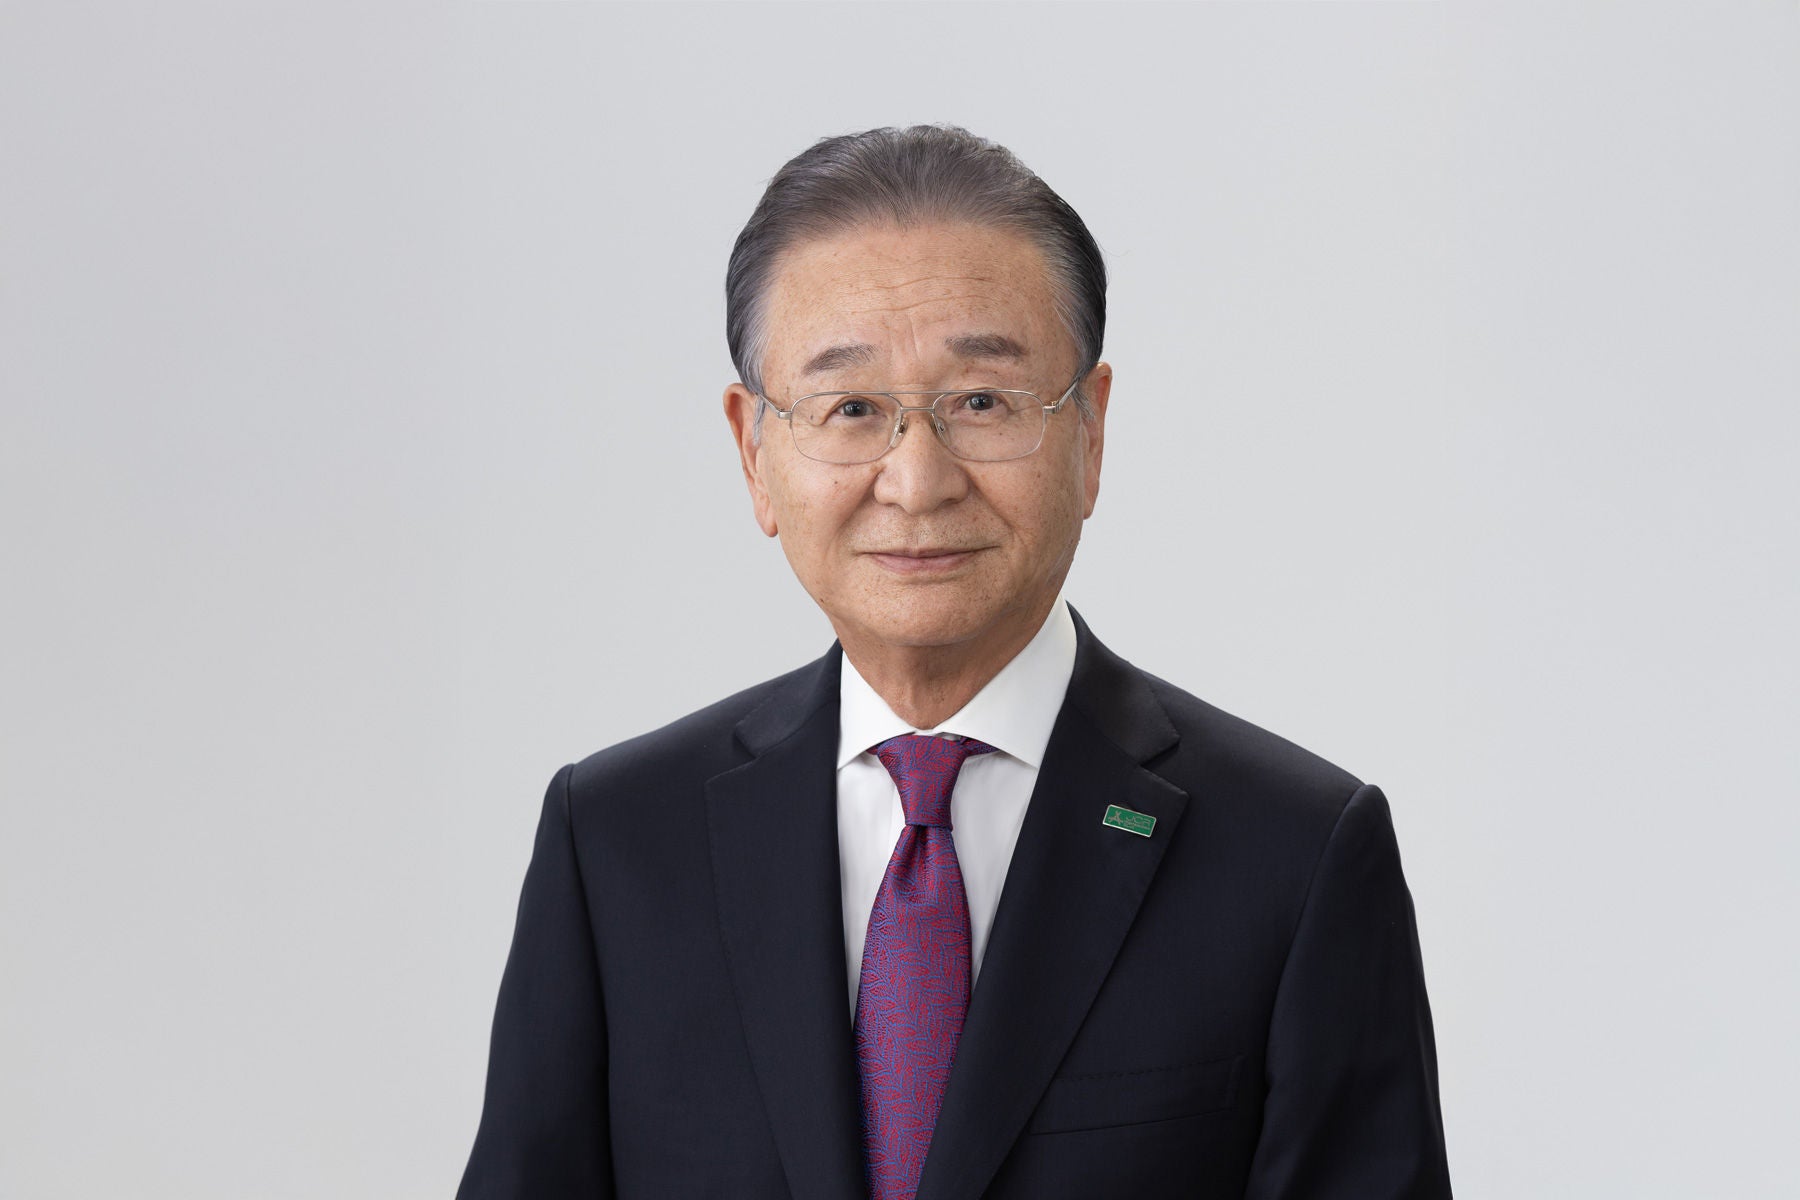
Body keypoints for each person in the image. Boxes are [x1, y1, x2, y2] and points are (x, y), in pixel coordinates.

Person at [457, 124, 1451, 1200]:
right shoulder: (616, 844)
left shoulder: (1295, 856)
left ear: (1091, 433)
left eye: (981, 402)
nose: (918, 480)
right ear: (754, 452)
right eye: (852, 409)